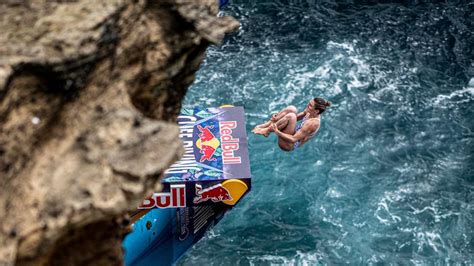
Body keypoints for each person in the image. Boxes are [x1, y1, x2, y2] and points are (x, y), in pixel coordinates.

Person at [252, 97, 331, 151]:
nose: (307, 106)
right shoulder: (310, 111)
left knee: (291, 116)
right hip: (292, 134)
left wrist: (276, 131)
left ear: (316, 111)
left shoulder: (313, 123)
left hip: (289, 145)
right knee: (291, 109)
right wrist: (278, 117)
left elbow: (293, 139)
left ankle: (267, 131)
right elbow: (295, 118)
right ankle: (266, 125)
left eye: (310, 105)